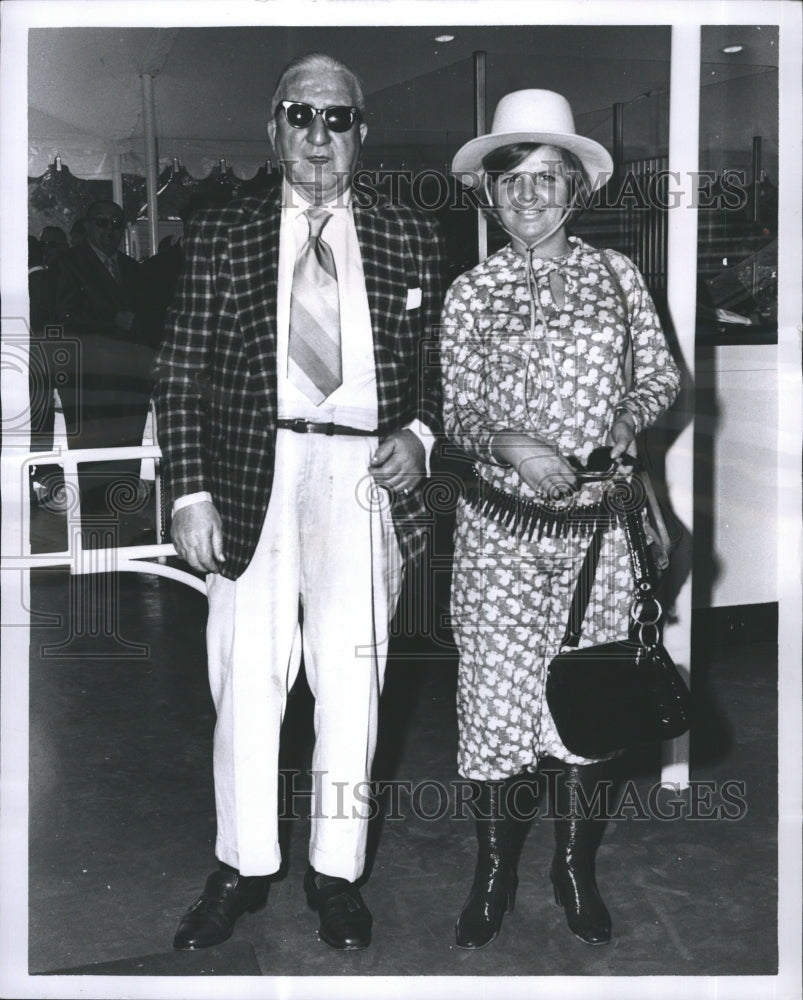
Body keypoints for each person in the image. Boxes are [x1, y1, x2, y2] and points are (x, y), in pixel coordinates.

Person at [153, 52, 445, 952]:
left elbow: (442, 369)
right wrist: (189, 490)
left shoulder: (410, 233)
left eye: (339, 118)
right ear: (273, 128)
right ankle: (241, 866)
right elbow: (181, 370)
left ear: (363, 131)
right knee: (246, 680)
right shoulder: (222, 233)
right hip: (251, 473)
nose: (320, 136)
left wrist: (422, 437)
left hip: (363, 482)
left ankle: (336, 873)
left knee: (353, 684)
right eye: (301, 116)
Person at [441, 90, 682, 948]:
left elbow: (660, 378)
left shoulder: (617, 275)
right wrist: (508, 442)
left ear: (575, 190)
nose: (530, 197)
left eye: (548, 179)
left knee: (592, 705)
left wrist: (624, 421)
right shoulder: (470, 293)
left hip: (600, 539)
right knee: (496, 704)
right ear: (490, 195)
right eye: (513, 182)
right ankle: (494, 873)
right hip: (498, 537)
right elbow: (458, 416)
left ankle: (572, 869)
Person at [50, 200, 153, 517]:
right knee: (93, 457)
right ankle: (93, 526)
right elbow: (59, 317)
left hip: (130, 379)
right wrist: (110, 320)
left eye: (116, 223)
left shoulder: (133, 268)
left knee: (128, 451)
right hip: (89, 380)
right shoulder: (66, 264)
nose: (110, 230)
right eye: (101, 222)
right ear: (87, 226)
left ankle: (123, 517)